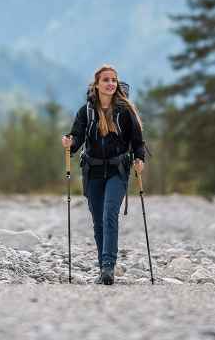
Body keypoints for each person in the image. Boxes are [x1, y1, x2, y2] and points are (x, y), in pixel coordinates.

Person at [61, 64, 146, 285]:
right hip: (93, 170)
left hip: (118, 170)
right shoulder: (85, 111)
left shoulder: (125, 111)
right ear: (97, 85)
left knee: (109, 215)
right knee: (98, 221)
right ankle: (103, 268)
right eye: (106, 80)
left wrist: (139, 159)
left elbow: (137, 141)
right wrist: (69, 141)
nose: (110, 84)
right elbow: (77, 138)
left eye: (114, 80)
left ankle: (108, 266)